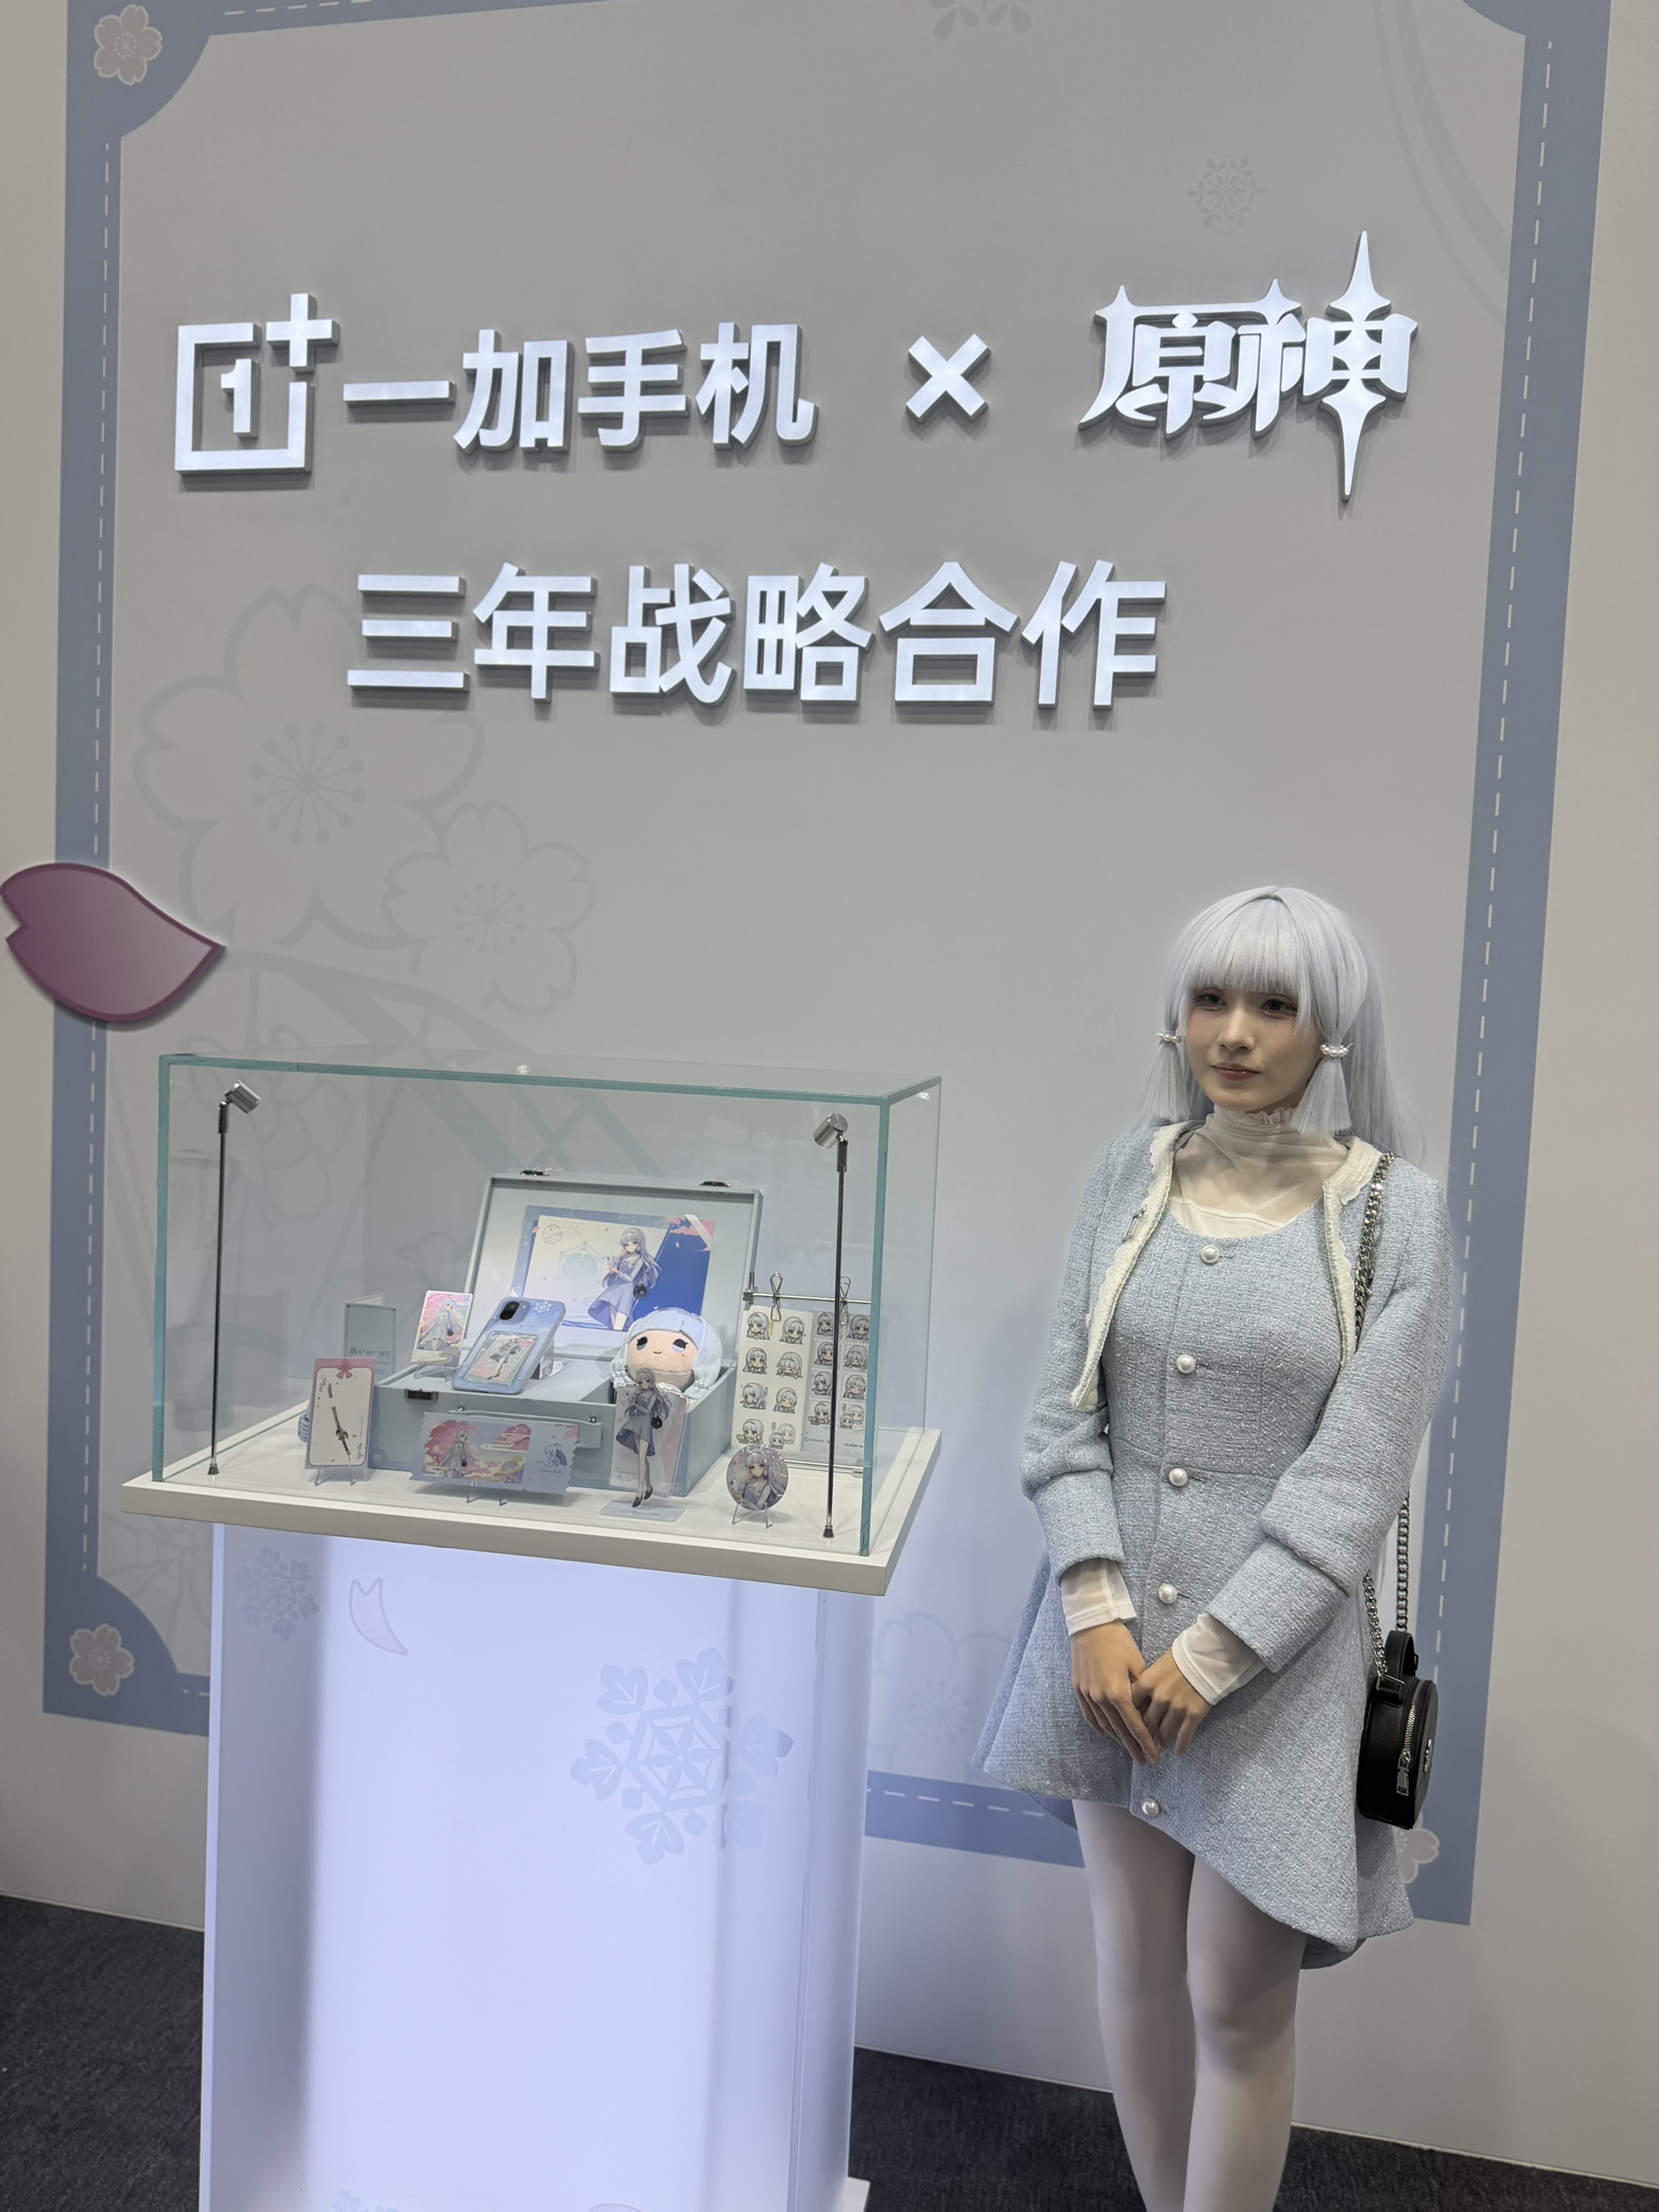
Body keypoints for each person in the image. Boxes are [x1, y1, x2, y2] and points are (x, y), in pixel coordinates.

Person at [976, 887, 1451, 2212]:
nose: (1233, 1032)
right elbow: (1061, 1415)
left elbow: (1358, 1472)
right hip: (1105, 1652)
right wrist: (1094, 1610)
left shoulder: (1391, 1212)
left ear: (1332, 1027)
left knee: (1233, 1997)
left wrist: (1214, 1651)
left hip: (1274, 1675)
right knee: (1132, 1964)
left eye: (1273, 1004)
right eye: (1209, 999)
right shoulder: (1127, 1174)